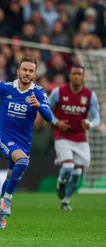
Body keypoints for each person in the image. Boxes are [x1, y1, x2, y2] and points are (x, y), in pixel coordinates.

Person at [0, 56, 52, 229]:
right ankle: (6, 200)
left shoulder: (38, 92)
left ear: (35, 73)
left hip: (24, 142)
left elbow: (49, 117)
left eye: (31, 71)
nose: (27, 73)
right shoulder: (6, 87)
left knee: (10, 177)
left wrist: (38, 105)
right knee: (23, 161)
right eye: (25, 69)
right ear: (18, 71)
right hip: (4, 138)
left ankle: (0, 216)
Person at [48, 65, 101, 211]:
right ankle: (61, 181)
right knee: (68, 167)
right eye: (74, 73)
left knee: (77, 174)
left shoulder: (90, 95)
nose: (77, 76)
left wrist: (90, 123)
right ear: (69, 76)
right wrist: (57, 122)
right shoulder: (58, 92)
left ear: (83, 77)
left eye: (79, 74)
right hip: (62, 135)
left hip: (80, 137)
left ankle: (66, 201)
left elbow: (97, 118)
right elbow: (47, 110)